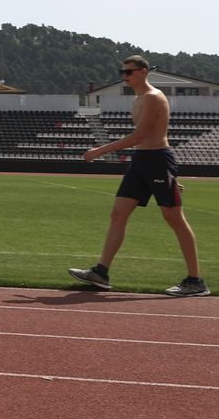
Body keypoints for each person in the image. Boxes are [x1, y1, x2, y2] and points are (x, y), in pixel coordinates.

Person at [66, 56, 207, 297]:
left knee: (174, 218)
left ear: (142, 72)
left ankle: (195, 281)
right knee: (118, 214)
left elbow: (140, 135)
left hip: (157, 159)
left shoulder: (153, 97)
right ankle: (101, 272)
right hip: (142, 162)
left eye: (128, 72)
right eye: (122, 71)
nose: (124, 76)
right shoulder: (138, 98)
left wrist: (100, 150)